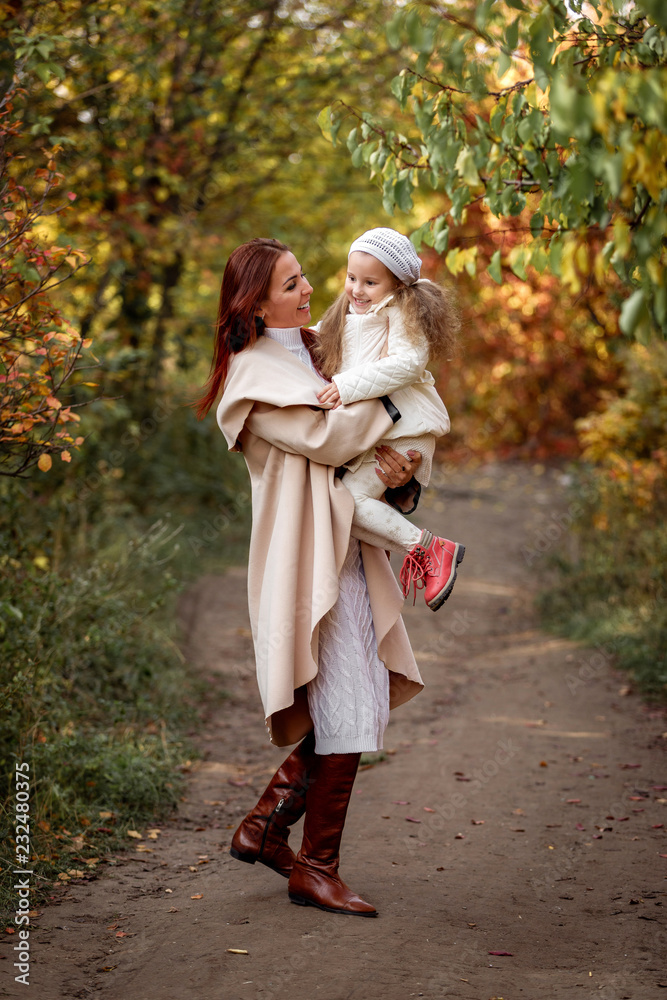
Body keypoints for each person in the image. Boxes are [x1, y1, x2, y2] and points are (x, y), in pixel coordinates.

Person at [197, 237, 426, 918]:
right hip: (303, 556)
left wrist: (402, 480)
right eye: (291, 284)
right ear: (256, 302)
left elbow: (358, 464)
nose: (308, 291)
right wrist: (399, 393)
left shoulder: (318, 351)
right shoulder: (250, 376)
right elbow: (330, 440)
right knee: (350, 701)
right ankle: (311, 865)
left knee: (356, 699)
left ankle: (268, 827)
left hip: (348, 543)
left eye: (303, 279)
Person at [314, 227, 465, 611]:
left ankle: (430, 550)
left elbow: (409, 363)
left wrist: (346, 387)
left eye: (370, 282)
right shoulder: (349, 313)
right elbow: (316, 338)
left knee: (347, 500)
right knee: (344, 506)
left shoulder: (401, 311)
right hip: (383, 427)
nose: (357, 290)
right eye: (351, 279)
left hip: (405, 427)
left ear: (397, 285)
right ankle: (428, 551)